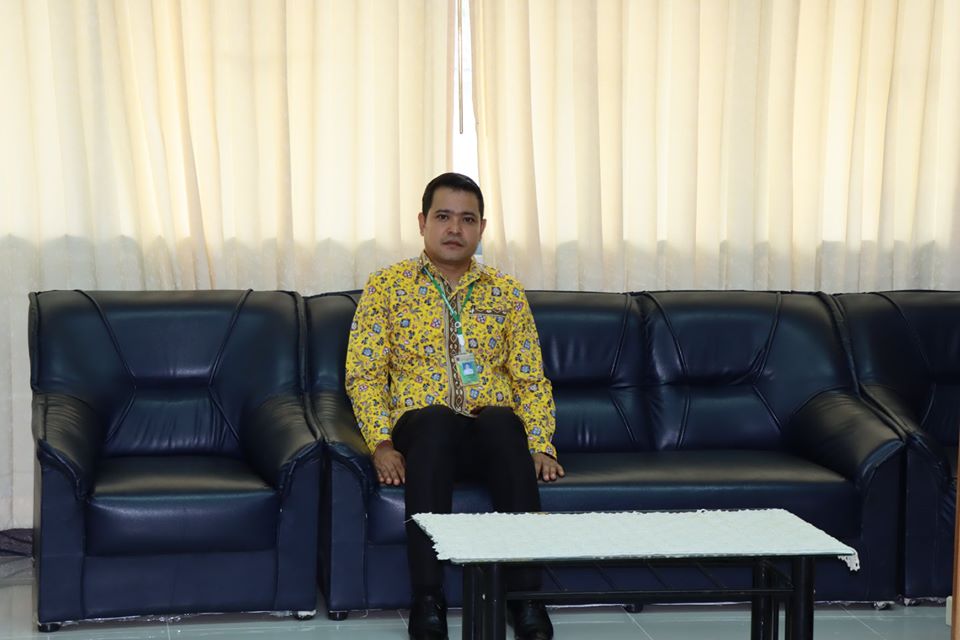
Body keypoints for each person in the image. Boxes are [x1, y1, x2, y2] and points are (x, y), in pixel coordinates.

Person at [345, 172, 563, 640]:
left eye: (467, 219)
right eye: (443, 216)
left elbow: (530, 378)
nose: (454, 229)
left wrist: (540, 444)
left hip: (491, 436)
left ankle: (526, 598)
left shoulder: (506, 292)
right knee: (437, 421)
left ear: (482, 228)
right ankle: (428, 598)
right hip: (422, 433)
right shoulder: (387, 286)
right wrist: (381, 443)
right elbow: (364, 375)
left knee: (502, 420)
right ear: (422, 222)